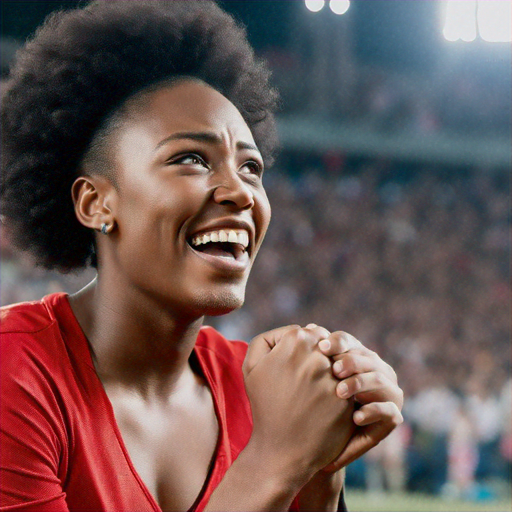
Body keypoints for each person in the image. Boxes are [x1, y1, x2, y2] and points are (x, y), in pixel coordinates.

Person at [0, 2, 403, 511]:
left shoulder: (263, 389)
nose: (240, 191)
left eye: (252, 167)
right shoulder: (13, 370)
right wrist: (274, 462)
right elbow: (272, 465)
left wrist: (320, 476)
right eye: (190, 158)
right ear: (95, 203)